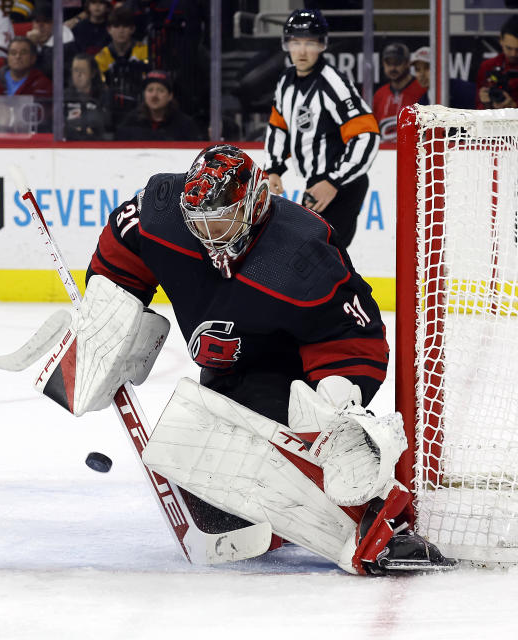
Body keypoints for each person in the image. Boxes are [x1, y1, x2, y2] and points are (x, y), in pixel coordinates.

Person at [36, 143, 456, 575]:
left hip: (289, 377)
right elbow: (125, 247)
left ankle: (378, 525)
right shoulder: (163, 209)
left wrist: (332, 408)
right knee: (213, 504)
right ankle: (284, 512)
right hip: (226, 376)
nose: (209, 235)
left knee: (273, 454)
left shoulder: (301, 253)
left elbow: (355, 337)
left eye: (220, 219)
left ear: (254, 205)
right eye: (198, 222)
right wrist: (109, 316)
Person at [264, 8, 379, 249]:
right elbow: (279, 126)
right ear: (287, 45)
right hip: (317, 183)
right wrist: (273, 168)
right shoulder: (286, 81)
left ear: (322, 45)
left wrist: (334, 181)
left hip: (344, 185)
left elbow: (366, 135)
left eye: (310, 43)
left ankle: (353, 288)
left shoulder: (332, 83)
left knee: (322, 255)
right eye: (296, 42)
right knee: (312, 255)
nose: (302, 51)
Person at [0, 35, 51, 132]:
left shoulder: (42, 83)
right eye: (13, 53)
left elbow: (44, 114)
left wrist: (10, 117)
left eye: (23, 53)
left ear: (33, 58)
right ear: (8, 58)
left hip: (28, 139)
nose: (18, 57)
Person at [94, 7, 149, 122]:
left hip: (142, 105)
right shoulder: (101, 57)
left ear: (132, 29)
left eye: (125, 26)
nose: (121, 31)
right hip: (113, 108)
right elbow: (101, 87)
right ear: (109, 29)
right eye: (116, 26)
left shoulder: (144, 51)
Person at [115, 69, 198, 141]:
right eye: (150, 90)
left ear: (170, 96)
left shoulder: (185, 125)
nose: (154, 95)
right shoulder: (130, 123)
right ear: (144, 94)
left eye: (161, 90)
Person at [371, 42, 425, 143]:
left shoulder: (421, 89)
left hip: (414, 149)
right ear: (383, 63)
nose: (393, 68)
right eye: (389, 63)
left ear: (407, 63)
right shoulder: (380, 94)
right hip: (385, 151)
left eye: (397, 63)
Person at [64, 52, 110, 140]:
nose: (79, 75)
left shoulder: (103, 95)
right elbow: (56, 122)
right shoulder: (64, 96)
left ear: (92, 73)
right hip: (70, 141)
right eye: (75, 70)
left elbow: (106, 122)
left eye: (83, 70)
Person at [410, 46, 474, 110]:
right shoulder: (421, 104)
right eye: (417, 69)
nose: (422, 74)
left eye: (427, 68)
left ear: (440, 67)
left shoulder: (464, 89)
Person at [475, 15, 518, 109]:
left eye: (517, 49)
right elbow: (478, 110)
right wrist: (486, 103)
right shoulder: (488, 66)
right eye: (509, 48)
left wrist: (514, 107)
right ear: (501, 41)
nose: (513, 54)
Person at [27, 2, 77, 81]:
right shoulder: (31, 40)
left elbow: (47, 72)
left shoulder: (66, 44)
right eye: (37, 21)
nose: (40, 26)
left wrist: (32, 47)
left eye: (46, 21)